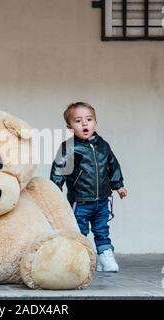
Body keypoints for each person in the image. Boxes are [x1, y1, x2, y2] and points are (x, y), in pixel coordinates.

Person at [50, 102, 127, 272]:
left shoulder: (103, 145)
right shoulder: (69, 147)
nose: (85, 124)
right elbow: (58, 171)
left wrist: (118, 185)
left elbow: (113, 166)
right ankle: (80, 258)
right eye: (78, 121)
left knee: (102, 229)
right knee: (79, 231)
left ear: (95, 122)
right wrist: (54, 191)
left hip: (102, 199)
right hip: (81, 200)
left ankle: (105, 256)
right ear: (70, 127)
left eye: (89, 119)